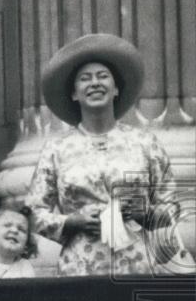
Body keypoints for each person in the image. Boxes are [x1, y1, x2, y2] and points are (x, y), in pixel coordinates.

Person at [26, 33, 187, 276]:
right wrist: (71, 221)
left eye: (103, 77)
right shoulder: (56, 149)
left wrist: (145, 212)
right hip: (79, 268)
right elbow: (33, 212)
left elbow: (172, 206)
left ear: (116, 90)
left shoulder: (145, 142)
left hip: (138, 265)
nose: (95, 83)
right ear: (74, 94)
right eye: (85, 79)